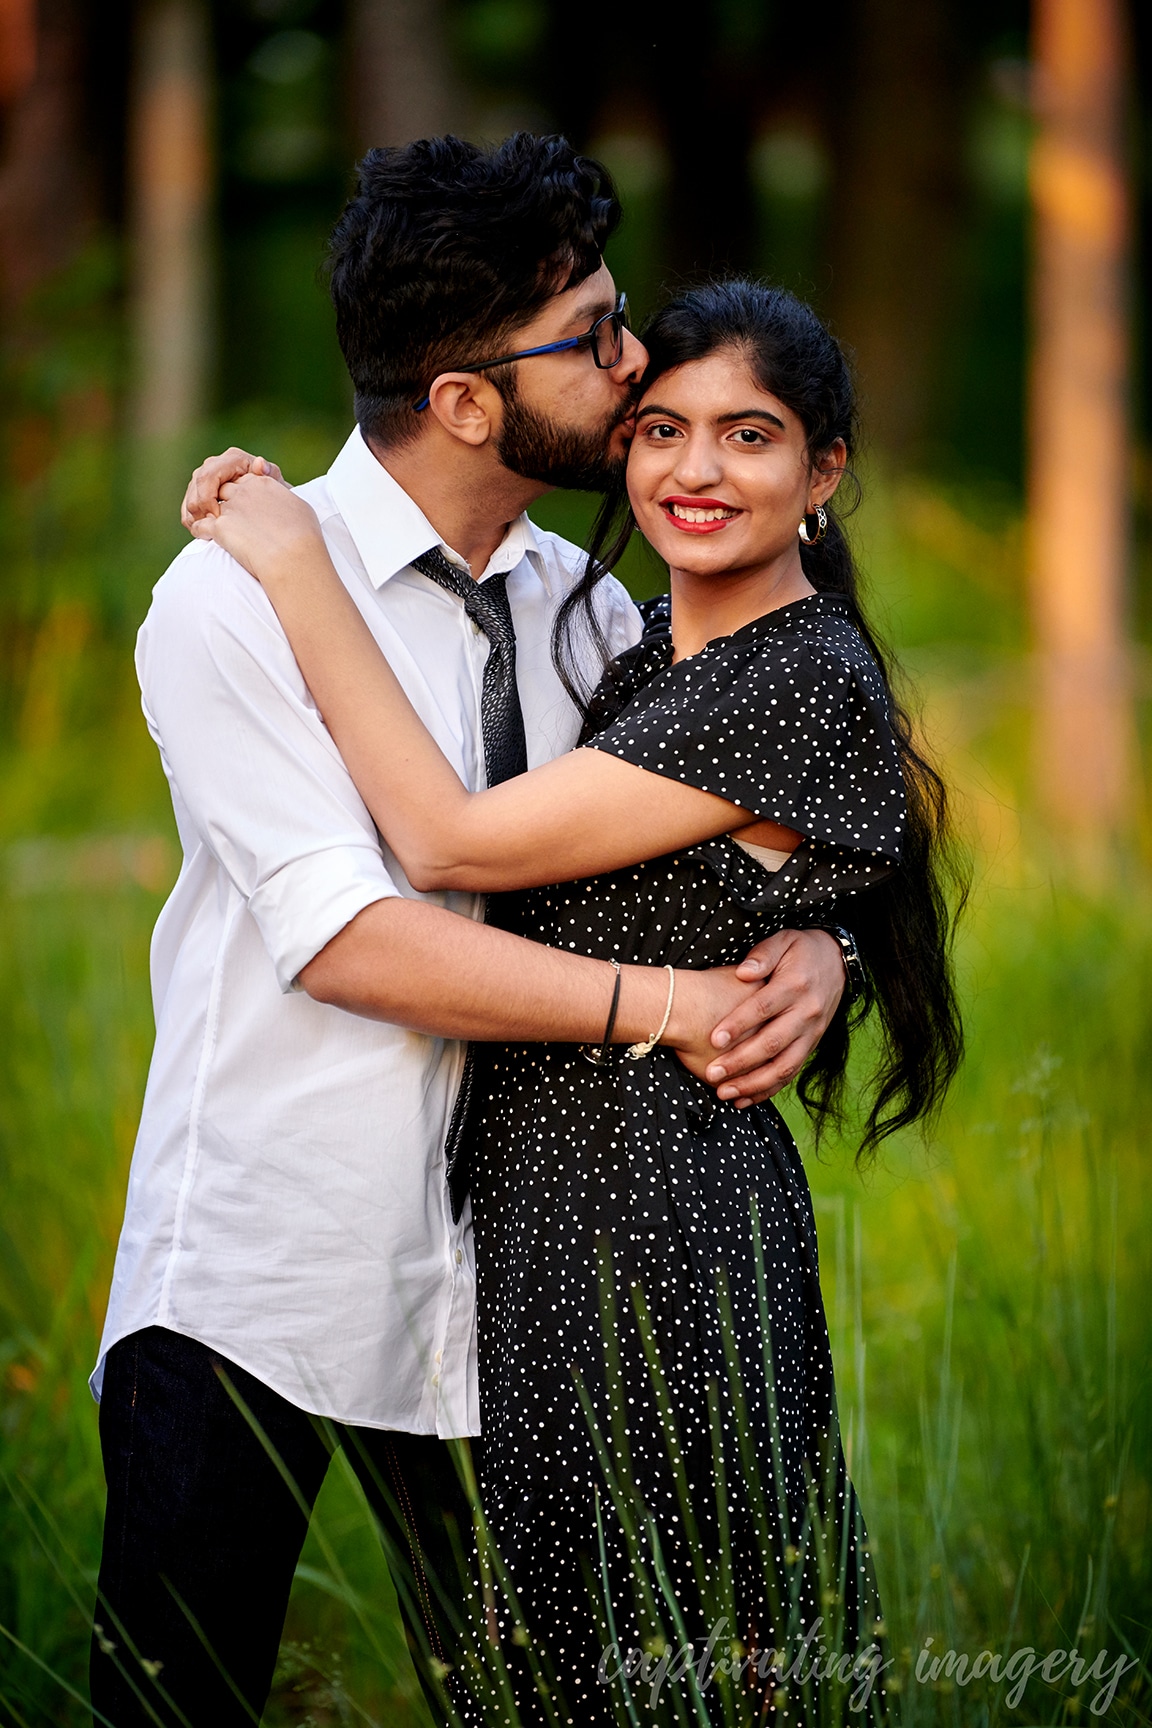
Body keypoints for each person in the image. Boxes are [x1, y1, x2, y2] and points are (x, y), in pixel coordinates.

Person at [90, 136, 849, 1728]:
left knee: (526, 1701)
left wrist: (815, 951)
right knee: (178, 1700)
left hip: (521, 1283)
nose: (636, 360)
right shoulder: (234, 595)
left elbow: (728, 822)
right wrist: (672, 1005)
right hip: (269, 1269)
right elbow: (352, 937)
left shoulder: (588, 598)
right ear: (462, 400)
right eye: (595, 336)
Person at [188, 277, 964, 1724]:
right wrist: (826, 944)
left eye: (750, 436)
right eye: (661, 428)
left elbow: (448, 847)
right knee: (586, 1656)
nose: (695, 470)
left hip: (650, 1216)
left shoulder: (776, 676)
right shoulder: (652, 643)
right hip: (566, 1206)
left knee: (655, 1653)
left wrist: (296, 565)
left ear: (825, 469)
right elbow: (783, 875)